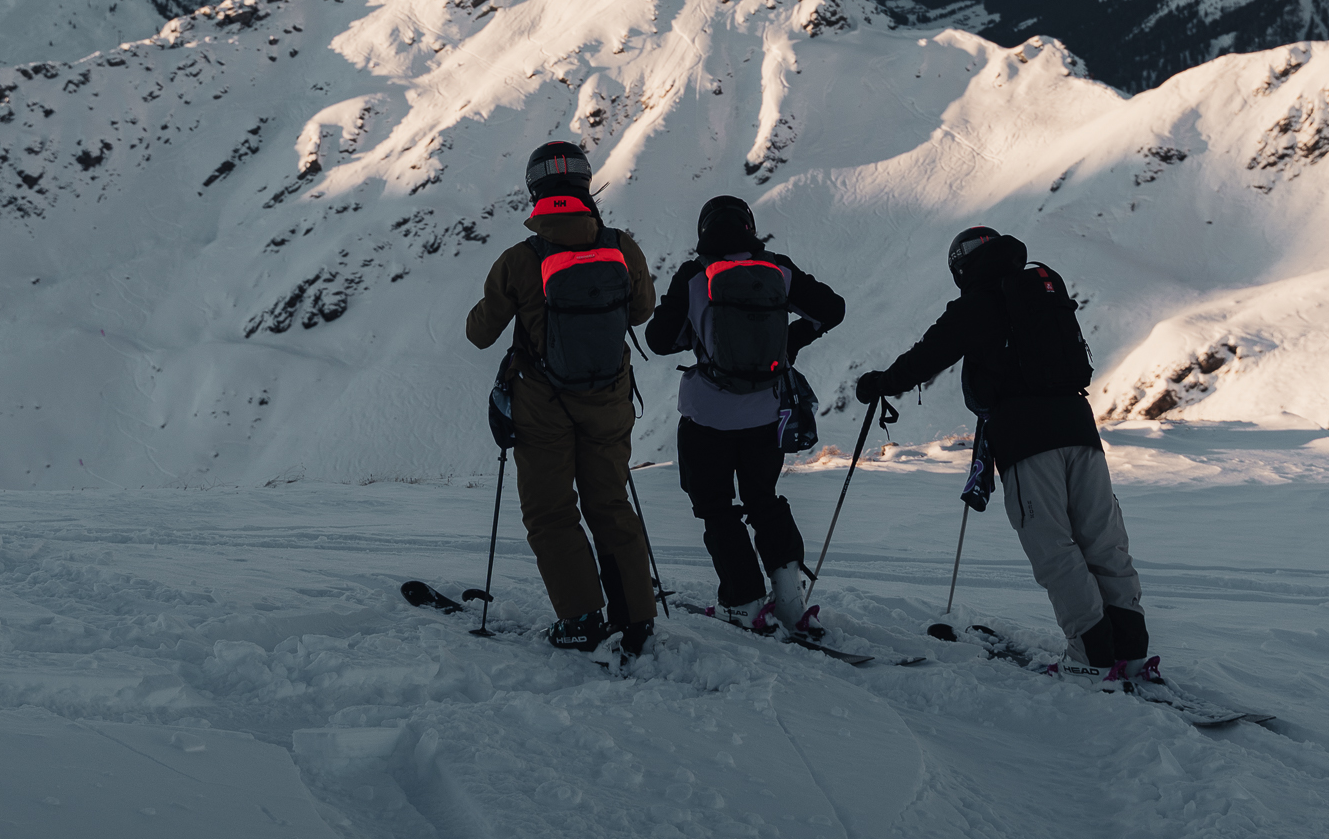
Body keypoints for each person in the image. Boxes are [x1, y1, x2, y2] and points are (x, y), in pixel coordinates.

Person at [855, 226, 1154, 679]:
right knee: (1103, 540)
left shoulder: (977, 303)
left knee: (1053, 546)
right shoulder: (1041, 290)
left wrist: (879, 383)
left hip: (1026, 436)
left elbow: (926, 356)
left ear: (961, 266)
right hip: (1080, 425)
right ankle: (1129, 653)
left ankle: (1091, 658)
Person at [465, 141, 658, 656]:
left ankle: (581, 619)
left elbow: (480, 334)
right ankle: (637, 617)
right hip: (610, 400)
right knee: (610, 504)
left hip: (542, 406)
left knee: (551, 512)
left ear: (535, 192)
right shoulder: (622, 247)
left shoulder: (520, 260)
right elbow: (642, 312)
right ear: (585, 183)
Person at [645, 195, 844, 633]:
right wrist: (789, 342)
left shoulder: (694, 276)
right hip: (767, 415)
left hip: (706, 417)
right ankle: (790, 600)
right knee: (764, 500)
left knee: (717, 508)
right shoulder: (778, 269)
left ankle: (744, 602)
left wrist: (698, 334)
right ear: (750, 228)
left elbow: (659, 339)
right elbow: (833, 309)